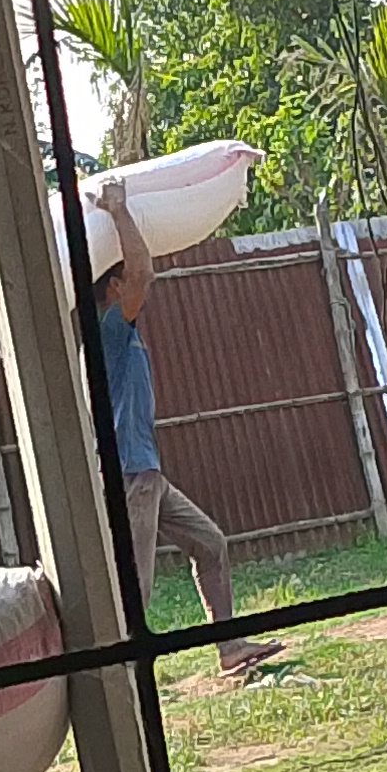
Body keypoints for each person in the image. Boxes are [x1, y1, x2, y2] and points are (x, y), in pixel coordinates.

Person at [93, 184, 280, 681]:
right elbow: (144, 273)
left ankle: (230, 647)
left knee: (210, 543)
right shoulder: (108, 327)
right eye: (124, 280)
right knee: (136, 588)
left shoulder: (114, 332)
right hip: (130, 475)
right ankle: (122, 681)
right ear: (113, 287)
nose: (135, 289)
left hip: (145, 472)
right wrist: (118, 209)